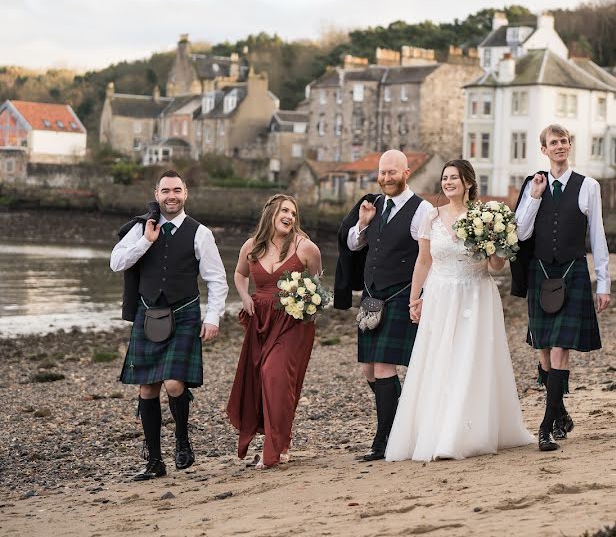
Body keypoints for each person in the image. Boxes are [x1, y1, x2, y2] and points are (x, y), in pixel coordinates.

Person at [385, 160, 534, 461]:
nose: (448, 182)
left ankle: (463, 434)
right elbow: (423, 261)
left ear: (468, 182)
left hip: (476, 294)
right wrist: (415, 298)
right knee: (440, 360)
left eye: (454, 177)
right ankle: (436, 431)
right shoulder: (430, 216)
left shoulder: (486, 216)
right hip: (440, 294)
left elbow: (496, 266)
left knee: (470, 359)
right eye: (445, 178)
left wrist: (493, 245)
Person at [111, 170, 228, 481]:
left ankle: (182, 440)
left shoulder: (200, 233)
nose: (171, 196)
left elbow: (217, 280)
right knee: (147, 388)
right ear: (157, 193)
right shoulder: (141, 229)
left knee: (175, 384)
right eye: (165, 191)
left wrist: (213, 317)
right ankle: (154, 461)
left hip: (185, 313)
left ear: (185, 193)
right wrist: (145, 243)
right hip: (148, 314)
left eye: (177, 190)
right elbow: (116, 262)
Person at [511, 124, 611, 452]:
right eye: (553, 143)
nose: (559, 146)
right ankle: (560, 412)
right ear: (543, 149)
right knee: (543, 350)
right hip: (540, 274)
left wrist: (603, 283)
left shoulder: (588, 186)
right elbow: (520, 233)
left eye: (564, 141)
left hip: (573, 274)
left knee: (558, 349)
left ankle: (545, 427)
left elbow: (597, 235)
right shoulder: (532, 185)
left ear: (570, 145)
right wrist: (534, 199)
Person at [334, 150, 434, 461]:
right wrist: (362, 223)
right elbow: (353, 244)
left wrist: (422, 296)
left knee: (383, 367)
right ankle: (403, 422)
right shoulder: (373, 205)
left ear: (407, 172)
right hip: (372, 298)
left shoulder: (422, 209)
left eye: (393, 172)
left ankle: (383, 440)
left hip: (401, 295)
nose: (386, 178)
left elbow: (426, 256)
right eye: (383, 172)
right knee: (368, 368)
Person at [226, 194, 322, 469]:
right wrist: (244, 295)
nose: (289, 216)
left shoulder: (306, 248)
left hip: (293, 324)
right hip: (261, 321)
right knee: (265, 381)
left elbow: (317, 285)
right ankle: (284, 441)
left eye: (293, 212)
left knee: (274, 375)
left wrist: (304, 302)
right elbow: (240, 274)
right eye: (284, 211)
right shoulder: (251, 246)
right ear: (270, 214)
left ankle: (274, 450)